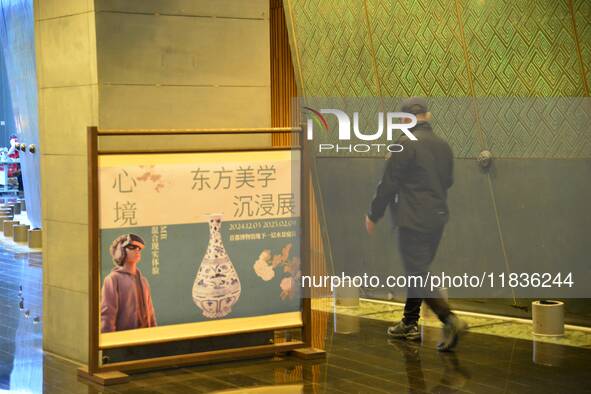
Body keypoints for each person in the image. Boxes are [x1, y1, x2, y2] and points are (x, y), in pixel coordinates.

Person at [365, 97, 466, 352]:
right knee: (418, 270)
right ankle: (409, 323)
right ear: (428, 116)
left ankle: (449, 319)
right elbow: (448, 180)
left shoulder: (404, 145)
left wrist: (373, 214)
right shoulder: (443, 146)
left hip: (412, 218)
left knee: (417, 272)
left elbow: (388, 183)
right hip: (438, 217)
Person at [101, 234, 157, 332]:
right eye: (131, 247)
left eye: (139, 248)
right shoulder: (112, 279)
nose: (137, 250)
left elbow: (151, 314)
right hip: (124, 341)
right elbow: (107, 316)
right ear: (120, 251)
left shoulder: (143, 281)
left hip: (146, 340)